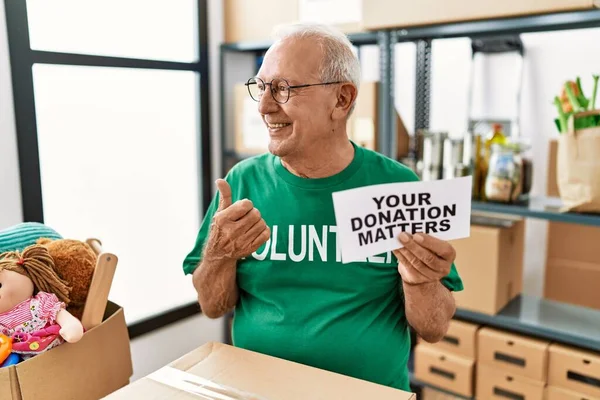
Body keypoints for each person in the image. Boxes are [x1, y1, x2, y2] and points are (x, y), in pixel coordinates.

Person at [183, 22, 463, 392]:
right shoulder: (241, 183)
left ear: (342, 100)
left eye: (283, 89)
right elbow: (212, 306)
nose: (265, 106)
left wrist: (419, 279)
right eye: (262, 87)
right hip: (258, 389)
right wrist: (219, 255)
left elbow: (435, 327)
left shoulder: (398, 188)